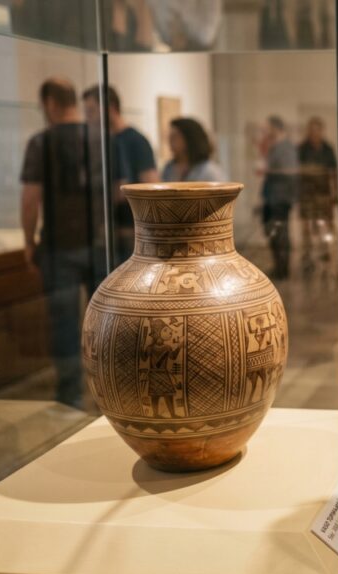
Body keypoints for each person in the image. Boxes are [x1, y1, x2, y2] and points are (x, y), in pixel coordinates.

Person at [20, 77, 99, 409]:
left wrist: (29, 241)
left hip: (60, 246)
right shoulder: (98, 138)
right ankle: (111, 392)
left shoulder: (41, 142)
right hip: (99, 243)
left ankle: (70, 398)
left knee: (64, 322)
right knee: (106, 322)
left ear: (50, 103)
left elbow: (31, 199)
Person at [82, 84, 159, 263]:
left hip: (130, 233)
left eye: (91, 111)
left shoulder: (136, 141)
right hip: (110, 233)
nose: (88, 118)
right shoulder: (102, 142)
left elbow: (151, 185)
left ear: (110, 107)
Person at [296, 116, 337, 276]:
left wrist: (334, 194)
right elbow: (297, 172)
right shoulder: (302, 149)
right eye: (311, 130)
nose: (314, 133)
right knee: (306, 228)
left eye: (317, 130)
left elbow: (333, 173)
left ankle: (324, 254)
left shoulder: (328, 149)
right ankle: (307, 257)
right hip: (306, 195)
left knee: (324, 226)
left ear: (321, 131)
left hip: (323, 194)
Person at [260, 115, 299, 280]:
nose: (265, 131)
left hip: (281, 197)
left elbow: (290, 171)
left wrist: (268, 171)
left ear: (275, 128)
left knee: (280, 233)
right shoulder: (276, 146)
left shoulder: (286, 147)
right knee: (274, 232)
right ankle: (279, 267)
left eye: (267, 128)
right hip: (273, 196)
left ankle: (282, 269)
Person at [161, 117, 226, 182]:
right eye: (169, 137)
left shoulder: (209, 171)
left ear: (189, 139)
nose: (169, 141)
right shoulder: (169, 168)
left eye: (174, 137)